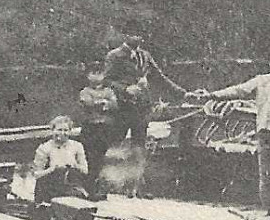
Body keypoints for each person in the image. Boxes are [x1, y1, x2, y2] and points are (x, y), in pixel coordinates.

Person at [192, 49, 270, 214]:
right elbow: (239, 90)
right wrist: (212, 95)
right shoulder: (261, 81)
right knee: (267, 176)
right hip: (265, 135)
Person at [103, 30, 186, 149]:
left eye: (140, 35)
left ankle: (138, 166)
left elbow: (159, 77)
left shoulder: (145, 55)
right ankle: (113, 166)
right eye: (133, 33)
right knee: (117, 139)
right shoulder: (114, 55)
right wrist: (125, 89)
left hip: (142, 106)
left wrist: (182, 93)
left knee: (139, 142)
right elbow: (107, 80)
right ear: (125, 35)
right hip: (122, 106)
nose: (137, 37)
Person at [75, 61, 119, 196]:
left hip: (104, 128)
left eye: (99, 73)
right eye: (93, 73)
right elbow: (88, 103)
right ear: (87, 76)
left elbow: (115, 105)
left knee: (100, 157)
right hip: (90, 127)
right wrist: (103, 103)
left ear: (104, 75)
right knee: (88, 155)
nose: (96, 77)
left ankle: (96, 187)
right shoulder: (85, 91)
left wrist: (104, 103)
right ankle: (87, 187)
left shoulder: (109, 91)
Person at [31, 116, 88, 204]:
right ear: (52, 131)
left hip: (69, 186)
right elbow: (36, 174)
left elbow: (85, 170)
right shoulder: (44, 148)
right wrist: (53, 169)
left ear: (70, 131)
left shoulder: (77, 146)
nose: (62, 133)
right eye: (59, 130)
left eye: (66, 130)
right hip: (48, 188)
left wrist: (74, 165)